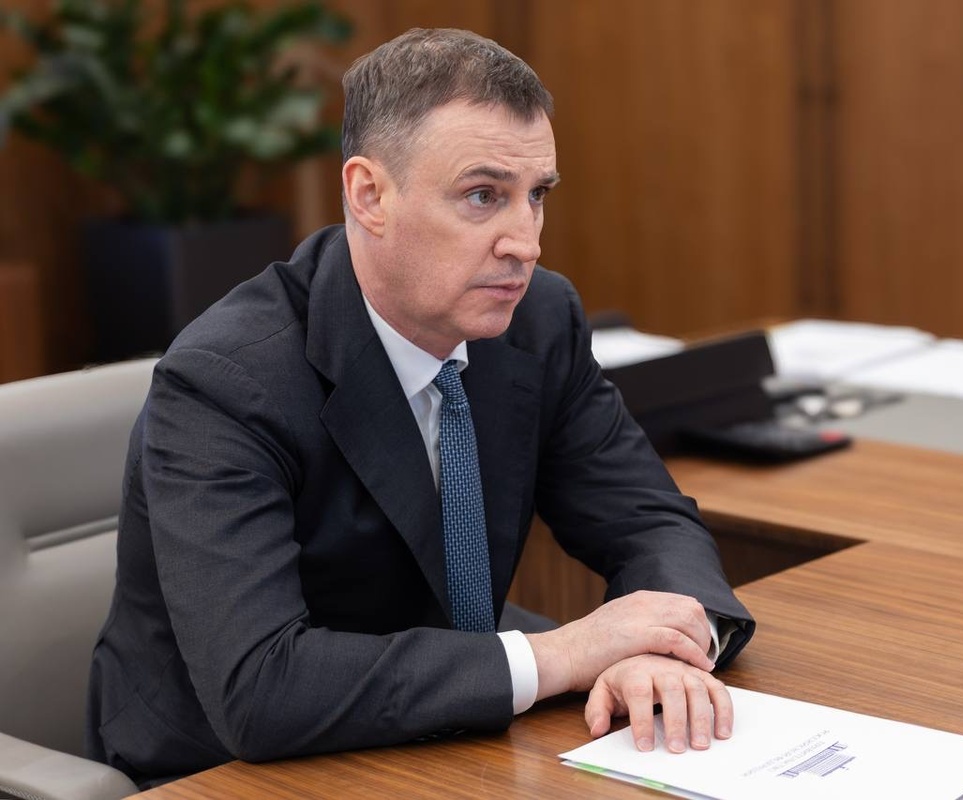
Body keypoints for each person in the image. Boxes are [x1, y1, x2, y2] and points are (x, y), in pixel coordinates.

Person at [85, 27, 754, 787]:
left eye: (536, 196)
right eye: (483, 196)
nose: (525, 243)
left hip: (446, 734)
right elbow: (261, 687)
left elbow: (647, 519)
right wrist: (565, 654)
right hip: (225, 769)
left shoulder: (537, 320)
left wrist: (663, 645)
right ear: (369, 195)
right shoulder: (226, 383)